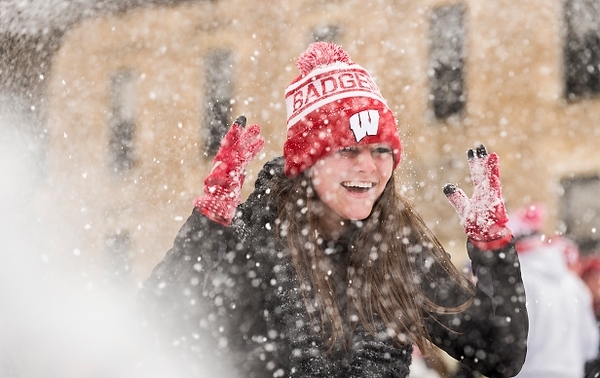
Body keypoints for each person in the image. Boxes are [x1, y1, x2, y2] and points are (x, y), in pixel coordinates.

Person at [137, 42, 528, 378]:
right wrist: (209, 221)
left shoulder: (397, 243)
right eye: (347, 150)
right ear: (309, 161)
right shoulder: (256, 234)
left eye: (381, 150)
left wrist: (493, 250)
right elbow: (153, 323)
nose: (369, 167)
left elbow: (499, 355)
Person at [506, 203, 598, 378]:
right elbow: (590, 345)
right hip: (571, 372)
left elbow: (511, 343)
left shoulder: (516, 282)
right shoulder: (573, 284)